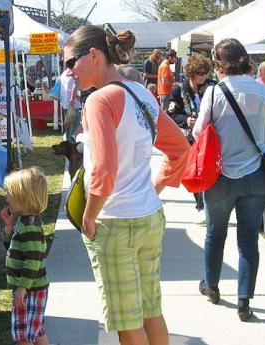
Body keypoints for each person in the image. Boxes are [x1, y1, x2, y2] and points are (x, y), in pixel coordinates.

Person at [63, 25, 189, 345]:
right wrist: (156, 187)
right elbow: (181, 149)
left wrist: (89, 217)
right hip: (148, 216)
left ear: (93, 55)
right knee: (150, 311)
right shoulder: (141, 92)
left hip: (115, 222)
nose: (68, 71)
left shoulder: (99, 100)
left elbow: (103, 170)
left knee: (126, 322)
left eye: (70, 62)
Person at [192, 38, 265, 322]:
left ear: (218, 64)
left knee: (215, 234)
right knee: (249, 239)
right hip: (255, 176)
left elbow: (198, 132)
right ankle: (244, 300)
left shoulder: (215, 93)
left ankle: (211, 285)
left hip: (220, 175)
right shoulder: (263, 92)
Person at [0, 167, 50, 345]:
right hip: (31, 288)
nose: (6, 198)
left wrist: (22, 288)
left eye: (10, 195)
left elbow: (33, 262)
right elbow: (14, 249)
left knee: (23, 333)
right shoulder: (22, 221)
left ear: (24, 198)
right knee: (36, 329)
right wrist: (8, 228)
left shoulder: (30, 228)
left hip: (30, 289)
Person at [167, 54, 216, 224]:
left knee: (207, 171)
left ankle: (205, 207)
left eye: (205, 73)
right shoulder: (178, 89)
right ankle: (201, 206)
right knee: (196, 172)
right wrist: (186, 119)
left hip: (209, 137)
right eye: (200, 73)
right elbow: (171, 114)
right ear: (191, 73)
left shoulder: (212, 87)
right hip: (189, 138)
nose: (204, 76)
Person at [59, 67, 82, 140]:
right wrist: (80, 98)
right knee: (75, 124)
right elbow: (69, 90)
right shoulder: (70, 77)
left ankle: (68, 140)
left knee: (68, 124)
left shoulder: (63, 74)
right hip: (73, 104)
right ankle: (71, 141)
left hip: (66, 103)